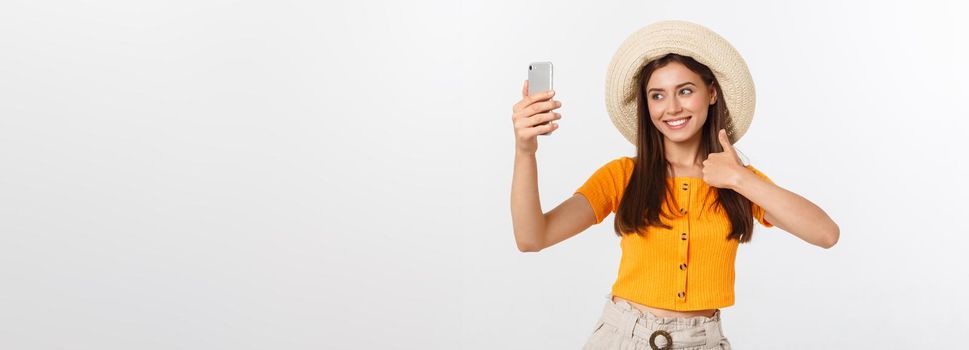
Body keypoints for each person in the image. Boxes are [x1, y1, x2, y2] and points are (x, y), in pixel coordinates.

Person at [509, 20, 840, 350]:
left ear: (711, 93)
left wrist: (739, 177)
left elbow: (825, 233)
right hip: (623, 338)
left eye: (685, 91)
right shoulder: (622, 176)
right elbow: (532, 238)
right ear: (647, 105)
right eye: (657, 96)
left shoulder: (738, 181)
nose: (672, 108)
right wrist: (525, 151)